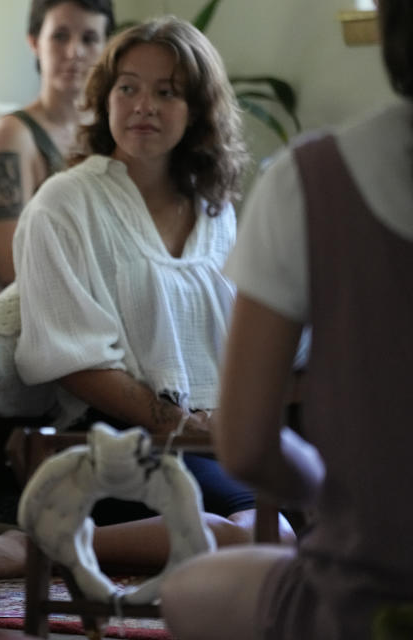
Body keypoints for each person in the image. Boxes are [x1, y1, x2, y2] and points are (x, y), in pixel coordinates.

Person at [0, 16, 286, 575]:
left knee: (291, 537)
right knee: (253, 537)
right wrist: (177, 422)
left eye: (166, 91)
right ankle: (29, 550)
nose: (142, 105)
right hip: (113, 437)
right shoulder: (63, 203)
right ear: (105, 99)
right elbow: (70, 359)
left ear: (197, 110)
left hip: (210, 441)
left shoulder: (214, 210)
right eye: (128, 87)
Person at [160, 1, 413, 638]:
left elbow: (245, 442)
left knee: (188, 594)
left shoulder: (308, 180)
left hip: (371, 596)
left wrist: (330, 490)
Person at [0, 0, 115, 286]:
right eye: (60, 36)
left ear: (106, 49)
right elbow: (11, 268)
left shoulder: (117, 130)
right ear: (34, 42)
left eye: (89, 39)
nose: (74, 52)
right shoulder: (12, 136)